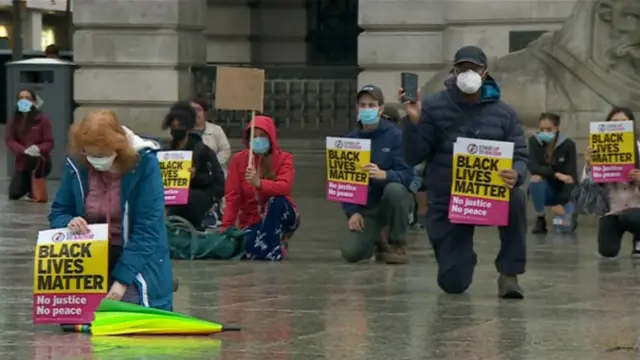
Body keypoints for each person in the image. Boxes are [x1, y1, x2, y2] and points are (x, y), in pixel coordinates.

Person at [402, 46, 528, 299]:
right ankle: (461, 256)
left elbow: (521, 155)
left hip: (489, 194)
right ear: (454, 71)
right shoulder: (433, 107)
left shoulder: (505, 114)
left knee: (516, 198)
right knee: (453, 283)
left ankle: (509, 273)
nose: (468, 73)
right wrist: (413, 123)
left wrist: (516, 172)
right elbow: (413, 156)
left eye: (474, 68)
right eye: (462, 68)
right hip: (447, 199)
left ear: (485, 73)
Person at [48, 110, 174, 310]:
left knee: (125, 311)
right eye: (89, 153)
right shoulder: (77, 164)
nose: (95, 159)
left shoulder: (144, 164)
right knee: (75, 313)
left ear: (118, 148)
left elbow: (147, 231)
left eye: (102, 155)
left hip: (134, 254)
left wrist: (121, 281)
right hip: (91, 254)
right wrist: (68, 222)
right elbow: (59, 211)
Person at [341, 85, 414, 265]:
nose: (367, 109)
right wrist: (352, 212)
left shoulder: (397, 136)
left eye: (371, 105)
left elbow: (407, 175)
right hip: (367, 207)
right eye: (363, 105)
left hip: (391, 201)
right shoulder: (349, 141)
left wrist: (385, 175)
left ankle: (398, 242)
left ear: (380, 109)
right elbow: (343, 183)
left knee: (395, 190)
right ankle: (378, 242)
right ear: (357, 108)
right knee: (351, 253)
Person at [221, 115, 299, 261]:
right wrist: (226, 228)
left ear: (271, 137)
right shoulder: (239, 160)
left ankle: (272, 249)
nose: (258, 140)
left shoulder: (284, 158)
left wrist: (260, 183)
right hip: (252, 221)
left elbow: (285, 187)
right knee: (246, 246)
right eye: (253, 136)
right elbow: (233, 196)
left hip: (282, 214)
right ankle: (269, 245)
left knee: (276, 201)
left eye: (262, 136)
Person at [584, 106, 640, 258]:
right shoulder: (597, 150)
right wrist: (590, 166)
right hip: (612, 210)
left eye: (623, 122)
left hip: (637, 208)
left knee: (633, 216)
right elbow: (588, 191)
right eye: (614, 122)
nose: (619, 126)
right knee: (607, 251)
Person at [162, 102, 225, 229]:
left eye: (180, 126)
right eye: (173, 126)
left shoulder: (203, 152)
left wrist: (197, 177)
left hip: (196, 201)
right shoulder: (166, 151)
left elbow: (219, 183)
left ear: (188, 128)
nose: (176, 130)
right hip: (171, 199)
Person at [528, 112, 578, 234]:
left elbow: (571, 178)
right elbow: (533, 166)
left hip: (565, 192)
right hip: (546, 190)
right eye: (541, 129)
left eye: (549, 129)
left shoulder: (568, 145)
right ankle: (540, 218)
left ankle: (567, 215)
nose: (545, 132)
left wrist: (561, 202)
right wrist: (555, 174)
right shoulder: (534, 142)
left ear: (557, 128)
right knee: (535, 179)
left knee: (562, 228)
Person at [5, 89, 54, 200]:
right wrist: (23, 150)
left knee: (34, 192)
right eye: (21, 98)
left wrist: (38, 148)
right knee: (14, 193)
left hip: (38, 161)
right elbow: (10, 140)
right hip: (22, 160)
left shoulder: (42, 120)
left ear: (34, 101)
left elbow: (49, 142)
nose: (24, 101)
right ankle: (27, 185)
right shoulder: (14, 120)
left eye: (27, 98)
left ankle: (32, 187)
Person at [190, 96, 231, 168]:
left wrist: (212, 163)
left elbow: (225, 150)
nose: (195, 113)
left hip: (214, 171)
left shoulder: (216, 129)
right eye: (192, 110)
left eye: (198, 110)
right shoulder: (185, 131)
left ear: (205, 112)